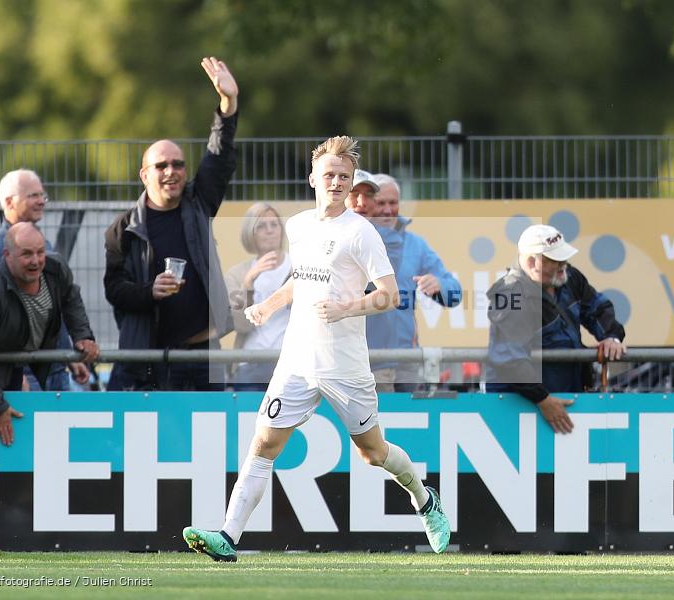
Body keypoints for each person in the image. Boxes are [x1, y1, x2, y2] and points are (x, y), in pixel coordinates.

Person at [182, 136, 451, 562]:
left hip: (344, 365)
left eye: (344, 176)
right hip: (297, 360)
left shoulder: (361, 232)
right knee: (263, 444)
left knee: (372, 453)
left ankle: (424, 498)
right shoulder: (300, 225)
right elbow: (302, 279)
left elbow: (390, 295)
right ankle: (228, 536)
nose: (337, 182)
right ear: (313, 179)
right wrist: (269, 305)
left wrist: (346, 307)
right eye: (330, 175)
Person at [103, 56, 238, 391]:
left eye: (178, 164)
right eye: (161, 166)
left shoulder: (198, 203)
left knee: (213, 426)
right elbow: (114, 290)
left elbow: (218, 156)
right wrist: (150, 291)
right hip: (156, 359)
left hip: (206, 352)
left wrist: (228, 104)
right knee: (162, 429)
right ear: (144, 175)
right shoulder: (123, 228)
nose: (171, 172)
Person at [0, 222, 99, 446]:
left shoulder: (56, 267)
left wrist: (82, 335)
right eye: (26, 254)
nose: (36, 261)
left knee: (25, 446)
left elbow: (70, 297)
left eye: (40, 252)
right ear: (7, 255)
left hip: (15, 366)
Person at [485, 224, 626, 434]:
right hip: (518, 408)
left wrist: (611, 337)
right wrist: (543, 400)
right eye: (556, 260)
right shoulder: (510, 295)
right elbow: (509, 360)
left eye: (564, 258)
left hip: (561, 400)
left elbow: (597, 308)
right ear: (532, 262)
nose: (563, 265)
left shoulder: (568, 277)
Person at [0, 169, 90, 390]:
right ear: (9, 203)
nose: (41, 201)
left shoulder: (43, 244)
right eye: (33, 196)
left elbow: (54, 305)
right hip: (24, 373)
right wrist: (12, 373)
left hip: (53, 367)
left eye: (42, 195)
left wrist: (67, 354)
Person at [364, 173, 462, 392]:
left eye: (393, 203)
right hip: (369, 360)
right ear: (368, 204)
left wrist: (440, 285)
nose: (387, 210)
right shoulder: (356, 241)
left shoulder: (416, 244)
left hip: (407, 359)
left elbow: (455, 294)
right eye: (381, 203)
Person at [224, 203, 291, 390]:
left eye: (274, 224)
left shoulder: (299, 267)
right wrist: (248, 283)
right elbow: (240, 325)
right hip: (250, 366)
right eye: (261, 226)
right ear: (250, 234)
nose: (269, 230)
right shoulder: (237, 274)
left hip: (291, 363)